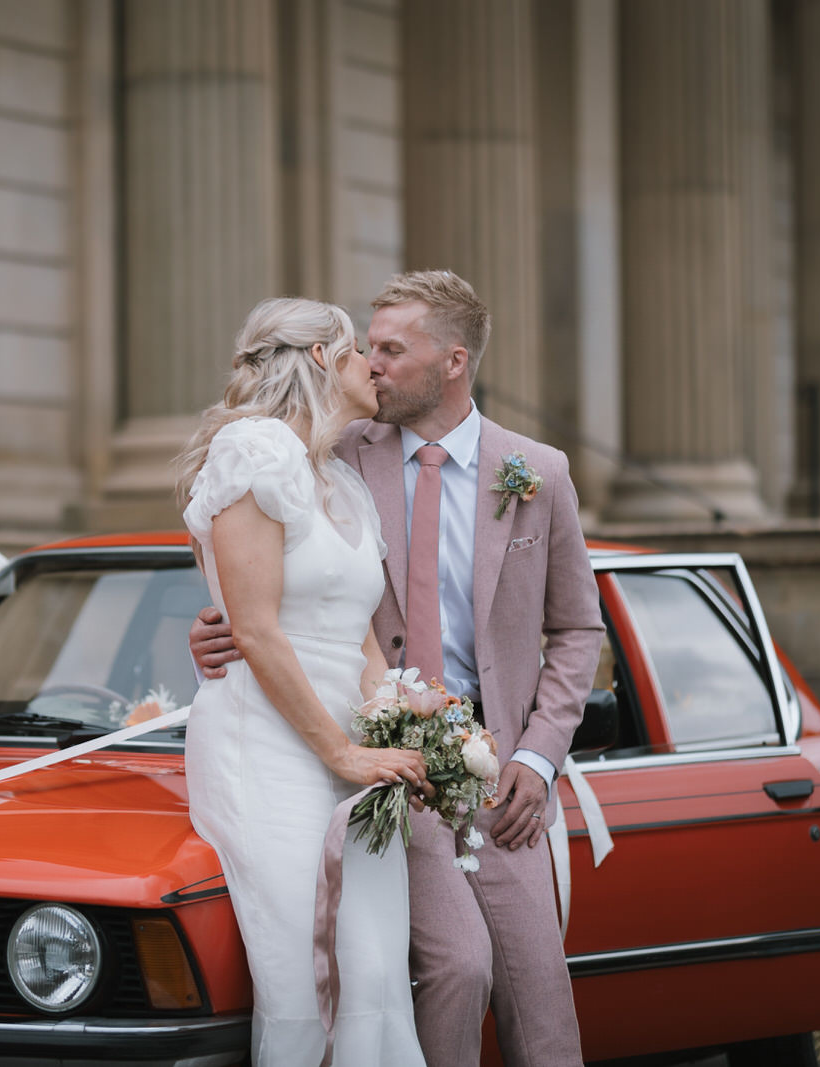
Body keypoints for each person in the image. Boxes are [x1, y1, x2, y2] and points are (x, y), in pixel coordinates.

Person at [191, 270, 604, 1067]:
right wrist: (219, 627)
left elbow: (578, 628)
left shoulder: (537, 473)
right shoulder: (332, 449)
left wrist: (535, 756)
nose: (372, 364)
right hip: (382, 761)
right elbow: (255, 576)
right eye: (363, 348)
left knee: (544, 1002)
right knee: (456, 965)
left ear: (454, 360)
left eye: (390, 348)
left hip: (499, 774)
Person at [176, 296, 430, 1067]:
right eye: (359, 352)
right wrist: (341, 753)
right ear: (322, 358)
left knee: (377, 971)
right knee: (304, 974)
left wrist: (401, 720)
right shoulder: (254, 450)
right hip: (270, 749)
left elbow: (361, 639)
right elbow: (252, 628)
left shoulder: (343, 482)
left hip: (355, 755)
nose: (373, 369)